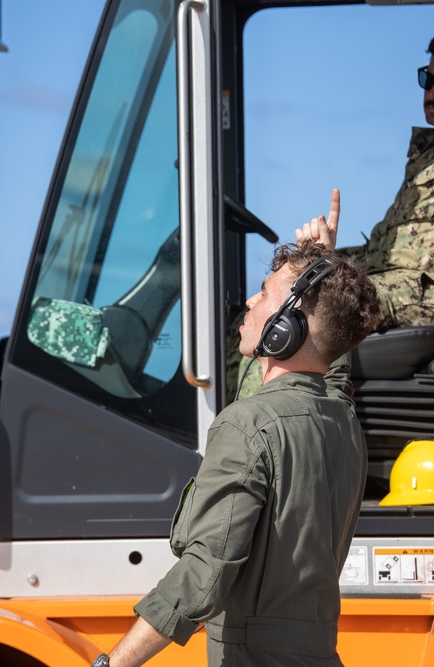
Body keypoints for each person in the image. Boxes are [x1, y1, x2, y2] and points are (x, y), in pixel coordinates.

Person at [91, 241, 380, 667]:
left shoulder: (247, 424)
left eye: (264, 294)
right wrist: (328, 272)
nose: (249, 301)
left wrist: (111, 664)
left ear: (287, 327)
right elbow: (331, 369)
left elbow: (203, 576)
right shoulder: (345, 426)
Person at [233, 21, 434, 399]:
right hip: (391, 274)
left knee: (291, 318)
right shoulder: (433, 148)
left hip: (430, 290)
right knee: (255, 312)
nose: (433, 92)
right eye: (428, 79)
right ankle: (227, 425)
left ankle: (268, 439)